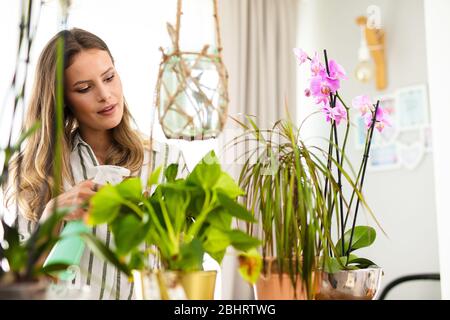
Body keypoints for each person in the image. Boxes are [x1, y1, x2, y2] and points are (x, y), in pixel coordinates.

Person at [3, 28, 187, 299]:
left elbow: (186, 268)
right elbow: (17, 285)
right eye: (85, 88)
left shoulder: (166, 161)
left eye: (109, 77)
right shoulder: (34, 172)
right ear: (63, 101)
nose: (105, 95)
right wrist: (50, 220)